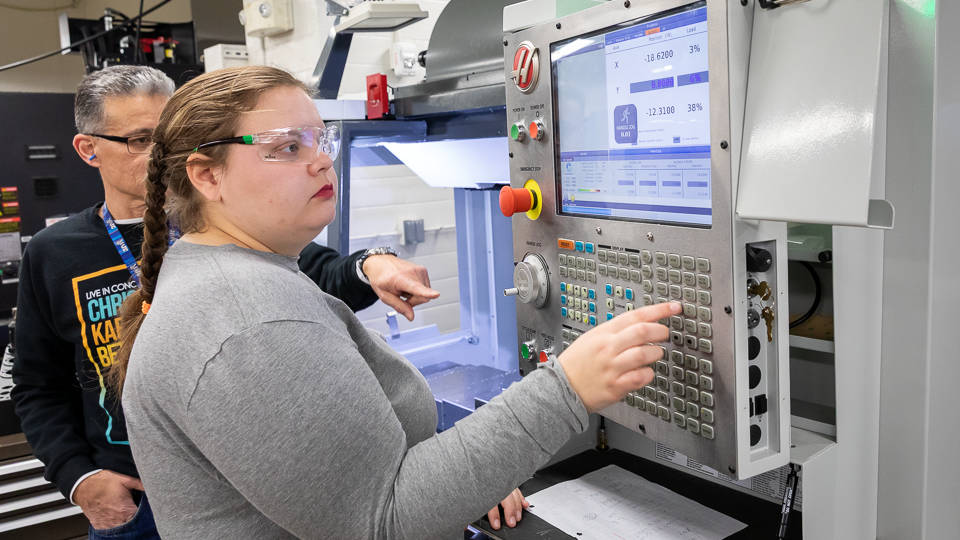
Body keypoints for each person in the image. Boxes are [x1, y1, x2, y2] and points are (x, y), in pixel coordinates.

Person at [112, 65, 681, 539]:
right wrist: (568, 387)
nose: (320, 160)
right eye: (287, 147)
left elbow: (359, 486)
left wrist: (464, 478)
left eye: (320, 139)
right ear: (208, 177)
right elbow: (380, 522)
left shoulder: (235, 279)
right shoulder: (246, 320)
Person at [11, 65, 438, 538]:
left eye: (171, 133)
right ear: (89, 149)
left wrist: (373, 262)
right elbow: (38, 383)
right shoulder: (55, 252)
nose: (161, 152)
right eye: (139, 139)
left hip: (239, 488)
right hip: (132, 496)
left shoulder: (220, 225)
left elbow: (317, 272)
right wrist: (79, 478)